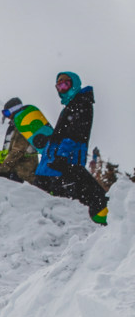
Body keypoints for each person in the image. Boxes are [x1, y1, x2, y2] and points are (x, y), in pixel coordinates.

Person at [34, 72, 108, 225]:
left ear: (74, 84)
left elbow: (75, 133)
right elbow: (64, 133)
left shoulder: (81, 103)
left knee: (75, 198)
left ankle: (101, 222)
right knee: (55, 194)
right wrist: (48, 140)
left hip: (67, 160)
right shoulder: (72, 105)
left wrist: (62, 155)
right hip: (56, 160)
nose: (62, 89)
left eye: (65, 84)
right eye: (58, 86)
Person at [0, 97, 39, 185]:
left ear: (14, 110)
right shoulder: (14, 126)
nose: (7, 117)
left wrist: (3, 169)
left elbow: (18, 150)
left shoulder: (23, 125)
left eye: (7, 113)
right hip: (15, 171)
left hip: (22, 173)